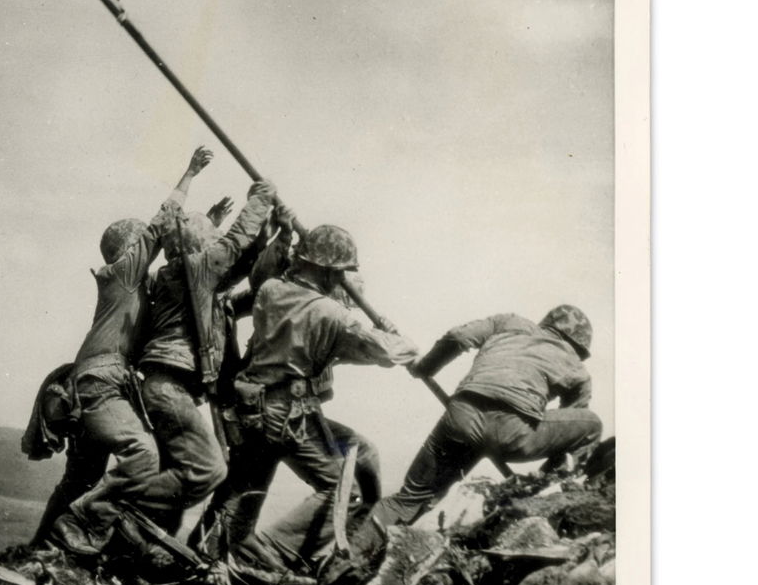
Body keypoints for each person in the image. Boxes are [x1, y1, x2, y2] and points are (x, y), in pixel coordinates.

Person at [64, 177, 279, 541]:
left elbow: (238, 263)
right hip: (164, 388)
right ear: (199, 248)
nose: (216, 245)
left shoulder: (181, 277)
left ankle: (123, 531)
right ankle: (99, 513)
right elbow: (233, 245)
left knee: (191, 470)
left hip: (162, 388)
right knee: (208, 470)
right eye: (210, 240)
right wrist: (260, 198)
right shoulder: (193, 270)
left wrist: (271, 238)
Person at [200, 223, 418, 553]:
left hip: (252, 408)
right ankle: (272, 552)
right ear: (327, 270)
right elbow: (389, 352)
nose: (340, 279)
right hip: (287, 414)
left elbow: (341, 347)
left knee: (243, 489)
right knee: (342, 491)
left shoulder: (270, 290)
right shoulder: (330, 313)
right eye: (339, 272)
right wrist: (394, 335)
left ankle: (210, 551)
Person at [43, 146, 213, 555]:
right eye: (143, 246)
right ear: (129, 249)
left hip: (96, 385)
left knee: (80, 479)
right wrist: (190, 173)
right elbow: (161, 223)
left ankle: (42, 547)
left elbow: (181, 258)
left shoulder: (134, 287)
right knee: (143, 455)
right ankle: (85, 528)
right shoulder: (121, 274)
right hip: (100, 384)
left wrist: (210, 224)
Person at [366, 304, 603, 536]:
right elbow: (570, 431)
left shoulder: (509, 322)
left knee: (406, 500)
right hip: (511, 433)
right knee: (592, 424)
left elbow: (458, 336)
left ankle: (355, 551)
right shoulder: (578, 369)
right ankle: (545, 494)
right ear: (578, 346)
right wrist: (545, 478)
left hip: (460, 419)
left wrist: (424, 368)